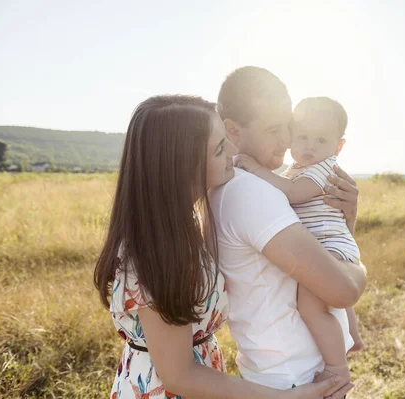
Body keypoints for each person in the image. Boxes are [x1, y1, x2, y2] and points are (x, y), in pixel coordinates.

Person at [94, 95, 346, 399]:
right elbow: (178, 375)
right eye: (218, 147)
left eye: (226, 139)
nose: (233, 149)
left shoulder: (184, 221)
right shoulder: (154, 250)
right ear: (181, 165)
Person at [212, 67, 367, 396]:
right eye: (273, 129)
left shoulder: (243, 184)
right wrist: (359, 268)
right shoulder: (252, 190)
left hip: (286, 370)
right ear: (233, 130)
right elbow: (342, 289)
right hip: (294, 376)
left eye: (289, 127)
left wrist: (345, 220)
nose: (287, 140)